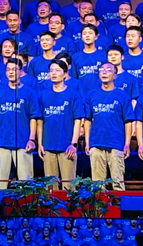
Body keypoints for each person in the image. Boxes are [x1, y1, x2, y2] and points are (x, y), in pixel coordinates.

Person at [0, 57, 41, 190]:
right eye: (8, 70)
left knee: (26, 181)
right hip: (2, 141)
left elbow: (33, 118)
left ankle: (28, 203)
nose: (11, 72)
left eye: (14, 69)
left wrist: (31, 139)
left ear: (21, 71)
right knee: (1, 181)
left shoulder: (29, 92)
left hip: (23, 142)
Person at [84, 62, 134, 190]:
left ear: (115, 75)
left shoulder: (123, 95)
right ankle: (98, 204)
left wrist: (127, 144)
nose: (104, 72)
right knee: (97, 185)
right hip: (96, 143)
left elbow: (128, 121)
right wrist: (88, 142)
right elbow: (87, 120)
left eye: (108, 70)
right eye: (102, 70)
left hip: (116, 143)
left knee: (118, 183)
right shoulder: (91, 95)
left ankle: (119, 204)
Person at [37, 59, 84, 189]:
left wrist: (73, 144)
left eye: (57, 70)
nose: (53, 73)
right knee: (50, 187)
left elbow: (78, 120)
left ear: (65, 74)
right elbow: (39, 121)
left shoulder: (73, 94)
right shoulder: (42, 95)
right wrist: (40, 144)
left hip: (67, 146)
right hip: (48, 146)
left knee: (69, 187)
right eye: (51, 70)